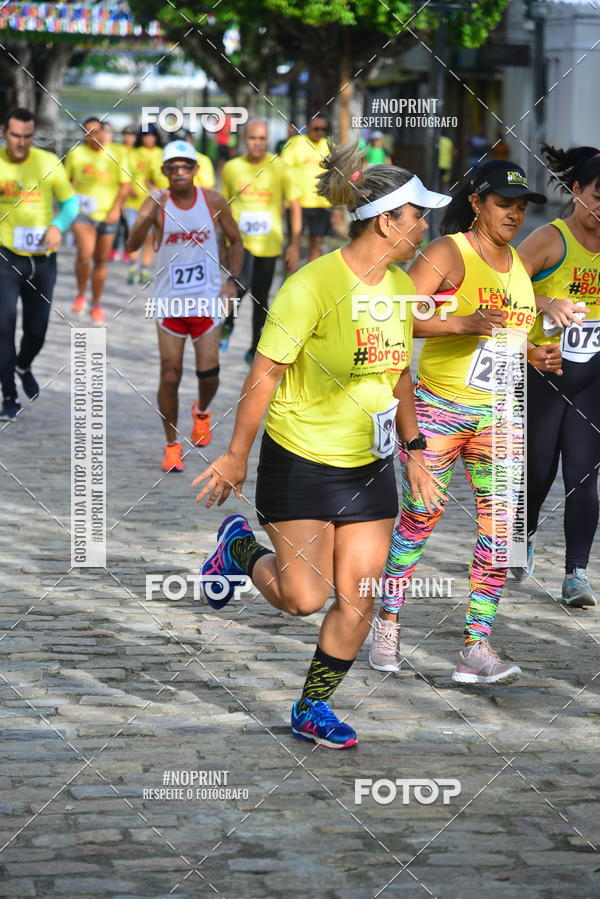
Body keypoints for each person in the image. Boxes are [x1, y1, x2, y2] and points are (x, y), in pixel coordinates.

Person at [193, 144, 449, 748]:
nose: (426, 227)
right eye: (419, 215)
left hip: (369, 463)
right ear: (387, 220)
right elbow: (265, 374)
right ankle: (239, 551)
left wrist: (414, 451)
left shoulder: (398, 287)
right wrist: (234, 454)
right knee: (303, 598)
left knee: (358, 596)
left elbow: (398, 374)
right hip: (301, 458)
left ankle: (313, 706)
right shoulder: (310, 286)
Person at [369, 160, 562, 682]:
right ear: (476, 203)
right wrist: (464, 323)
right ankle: (386, 622)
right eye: (504, 204)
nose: (514, 215)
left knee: (502, 533)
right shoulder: (448, 251)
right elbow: (396, 314)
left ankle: (476, 647)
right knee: (417, 526)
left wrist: (534, 355)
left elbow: (507, 337)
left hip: (500, 416)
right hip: (439, 411)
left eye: (521, 207)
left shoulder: (517, 265)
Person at [514, 145, 600, 607]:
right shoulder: (552, 238)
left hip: (592, 381)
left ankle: (576, 574)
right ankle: (519, 538)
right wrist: (546, 304)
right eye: (598, 195)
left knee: (584, 476)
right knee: (538, 469)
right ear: (576, 191)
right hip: (545, 373)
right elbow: (506, 280)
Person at [127, 140, 243, 471]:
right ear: (164, 172)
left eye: (185, 167)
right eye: (172, 168)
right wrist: (148, 214)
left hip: (206, 301)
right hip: (168, 304)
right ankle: (171, 444)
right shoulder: (157, 202)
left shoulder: (214, 200)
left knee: (209, 373)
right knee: (170, 373)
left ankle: (202, 411)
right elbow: (133, 244)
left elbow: (237, 241)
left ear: (195, 169)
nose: (179, 173)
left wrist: (231, 281)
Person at [0, 107, 79, 422]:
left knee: (37, 330)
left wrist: (58, 225)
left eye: (28, 137)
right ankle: (8, 395)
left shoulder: (47, 163)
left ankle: (24, 364)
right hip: (5, 256)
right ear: (5, 132)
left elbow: (71, 203)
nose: (21, 143)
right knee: (3, 327)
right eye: (16, 136)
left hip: (43, 261)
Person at [220, 118, 302, 363]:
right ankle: (228, 322)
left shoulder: (279, 167)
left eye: (262, 139)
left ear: (268, 140)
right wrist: (222, 244)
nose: (257, 144)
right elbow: (222, 208)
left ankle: (255, 346)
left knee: (261, 297)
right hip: (239, 244)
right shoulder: (232, 167)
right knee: (237, 289)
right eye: (252, 138)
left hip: (269, 244)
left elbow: (295, 205)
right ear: (245, 139)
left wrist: (295, 244)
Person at [66, 117, 131, 325]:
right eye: (88, 133)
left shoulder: (118, 153)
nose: (93, 137)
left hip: (108, 213)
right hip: (83, 213)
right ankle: (81, 294)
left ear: (104, 132)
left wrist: (115, 210)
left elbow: (125, 187)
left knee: (101, 260)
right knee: (85, 253)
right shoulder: (76, 154)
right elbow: (67, 183)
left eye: (96, 132)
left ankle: (95, 304)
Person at [279, 114, 332, 261]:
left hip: (322, 203)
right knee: (294, 243)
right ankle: (289, 278)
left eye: (324, 129)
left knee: (316, 244)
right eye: (316, 128)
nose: (320, 132)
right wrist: (282, 199)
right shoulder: (295, 143)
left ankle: (311, 279)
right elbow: (283, 170)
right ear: (308, 127)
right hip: (298, 203)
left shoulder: (328, 145)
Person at [123, 124, 163, 285]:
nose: (148, 138)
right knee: (134, 233)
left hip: (154, 203)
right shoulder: (133, 153)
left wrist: (156, 189)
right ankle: (133, 267)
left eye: (151, 135)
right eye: (145, 135)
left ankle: (145, 268)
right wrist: (129, 189)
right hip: (134, 203)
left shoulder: (161, 154)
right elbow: (125, 173)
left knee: (150, 237)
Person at [110, 124, 137, 262]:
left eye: (131, 135)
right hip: (118, 189)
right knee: (117, 221)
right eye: (126, 135)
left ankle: (128, 249)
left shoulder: (137, 153)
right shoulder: (117, 150)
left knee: (128, 223)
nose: (128, 138)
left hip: (132, 193)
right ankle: (113, 249)